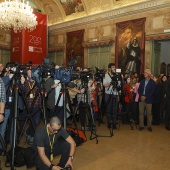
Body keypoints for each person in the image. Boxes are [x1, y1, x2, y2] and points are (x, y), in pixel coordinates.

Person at [103, 63, 121, 128]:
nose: (114, 68)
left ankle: (114, 123)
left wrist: (119, 95)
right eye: (113, 67)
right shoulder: (106, 75)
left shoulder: (117, 75)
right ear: (109, 68)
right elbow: (105, 85)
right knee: (109, 108)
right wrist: (111, 83)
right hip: (108, 93)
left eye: (114, 67)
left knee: (115, 109)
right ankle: (109, 123)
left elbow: (119, 85)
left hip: (115, 93)